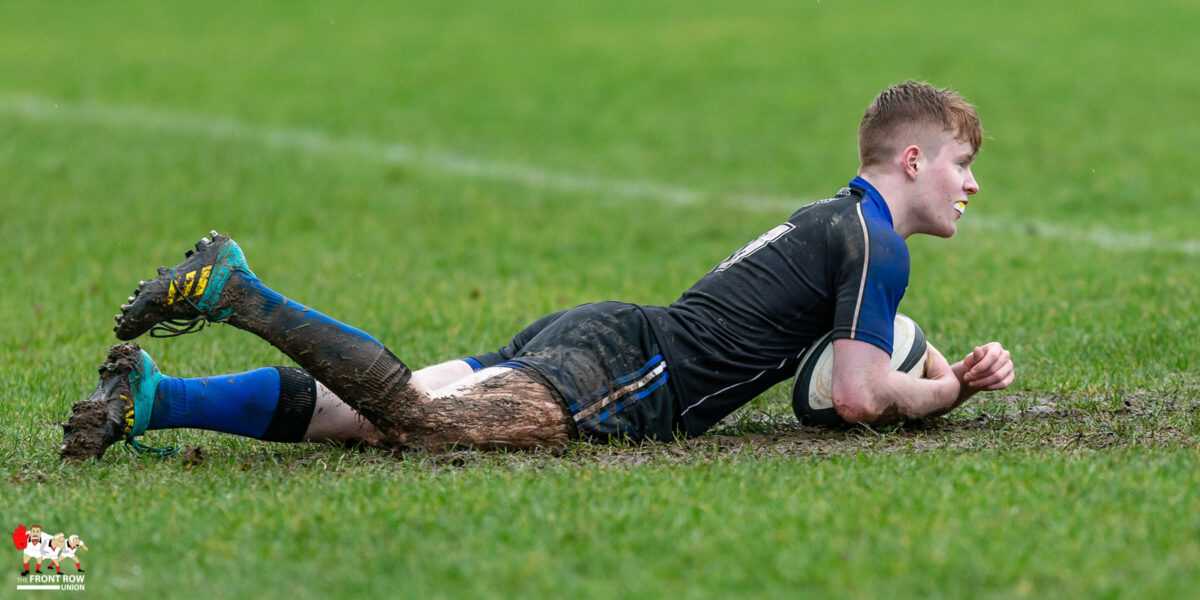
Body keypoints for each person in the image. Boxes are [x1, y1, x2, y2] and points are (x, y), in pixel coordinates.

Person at [60, 81, 1015, 461]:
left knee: (373, 418)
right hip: (636, 376)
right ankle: (240, 291)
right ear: (915, 161)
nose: (973, 185)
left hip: (607, 334)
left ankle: (157, 397)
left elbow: (859, 363)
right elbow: (852, 396)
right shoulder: (876, 242)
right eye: (965, 164)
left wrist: (937, 370)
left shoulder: (835, 220)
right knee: (424, 425)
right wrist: (940, 399)